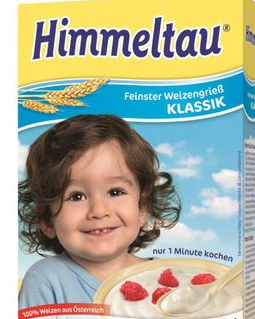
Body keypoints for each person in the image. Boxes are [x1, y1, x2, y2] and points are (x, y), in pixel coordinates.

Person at [18, 114, 180, 308]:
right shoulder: (46, 281)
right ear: (47, 220)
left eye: (115, 192)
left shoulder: (165, 278)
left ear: (142, 209)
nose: (99, 211)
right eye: (76, 196)